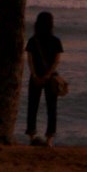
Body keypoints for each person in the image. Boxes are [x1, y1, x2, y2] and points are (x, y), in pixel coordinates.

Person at [25, 11, 63, 147]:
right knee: (51, 108)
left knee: (32, 106)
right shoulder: (56, 41)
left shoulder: (32, 40)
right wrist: (48, 75)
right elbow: (57, 60)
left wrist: (35, 75)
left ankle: (31, 137)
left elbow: (29, 60)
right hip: (51, 78)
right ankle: (49, 140)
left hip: (35, 77)